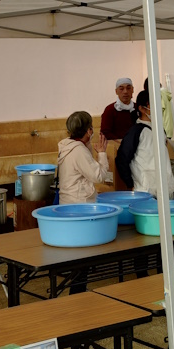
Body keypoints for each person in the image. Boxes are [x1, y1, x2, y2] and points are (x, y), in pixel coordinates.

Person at [57, 111, 113, 293]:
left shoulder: (69, 146)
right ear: (89, 130)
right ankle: (77, 292)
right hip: (80, 206)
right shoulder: (79, 151)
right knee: (82, 255)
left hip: (70, 203)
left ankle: (77, 289)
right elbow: (98, 176)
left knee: (78, 253)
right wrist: (102, 154)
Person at [118, 90, 174, 198]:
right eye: (152, 105)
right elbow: (122, 159)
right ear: (141, 108)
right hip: (144, 190)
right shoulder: (136, 132)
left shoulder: (159, 129)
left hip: (164, 187)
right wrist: (129, 184)